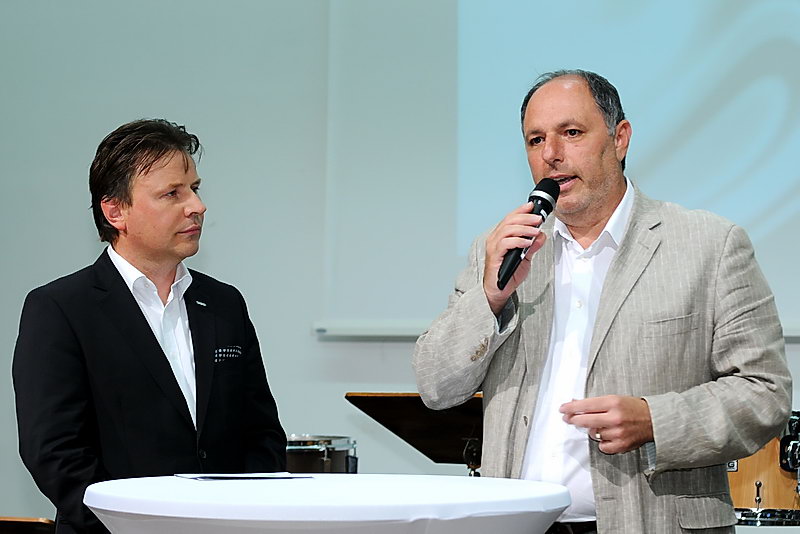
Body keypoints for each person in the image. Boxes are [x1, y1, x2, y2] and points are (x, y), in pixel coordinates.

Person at [412, 70, 791, 533]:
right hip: (521, 524)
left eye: (571, 133)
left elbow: (765, 393)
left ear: (620, 138)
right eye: (535, 140)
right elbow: (436, 386)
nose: (551, 154)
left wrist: (655, 420)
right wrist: (489, 296)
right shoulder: (500, 251)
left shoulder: (709, 245)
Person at [13, 119, 287, 534]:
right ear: (115, 211)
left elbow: (262, 434)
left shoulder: (224, 304)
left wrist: (242, 517)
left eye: (195, 188)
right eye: (172, 193)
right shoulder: (60, 308)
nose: (197, 206)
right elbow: (54, 453)